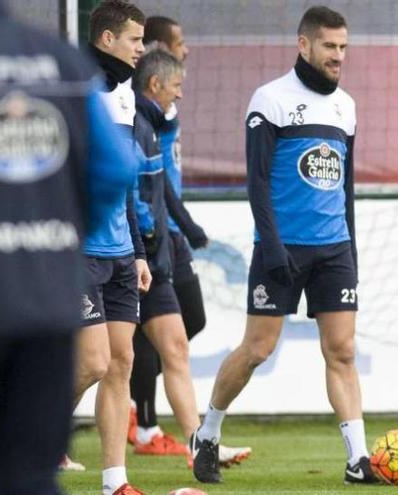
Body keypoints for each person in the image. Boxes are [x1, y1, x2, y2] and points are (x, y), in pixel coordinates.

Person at [0, 0, 138, 492]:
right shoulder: (64, 64)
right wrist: (60, 239)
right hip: (48, 302)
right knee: (30, 476)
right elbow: (116, 171)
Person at [190, 5, 374, 485]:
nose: (338, 56)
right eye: (330, 46)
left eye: (343, 48)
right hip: (282, 248)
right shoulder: (269, 99)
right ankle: (207, 432)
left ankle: (358, 459)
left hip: (334, 249)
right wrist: (271, 245)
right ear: (304, 44)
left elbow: (345, 185)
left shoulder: (346, 106)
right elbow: (257, 181)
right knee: (257, 349)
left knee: (343, 351)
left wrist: (350, 247)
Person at [130, 48, 252, 466]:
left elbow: (160, 188)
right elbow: (143, 192)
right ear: (155, 84)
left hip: (157, 252)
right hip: (132, 254)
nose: (180, 95)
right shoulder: (132, 122)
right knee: (102, 363)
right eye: (177, 86)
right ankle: (53, 437)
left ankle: (199, 446)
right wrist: (148, 237)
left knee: (177, 345)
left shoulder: (154, 123)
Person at [68, 1, 152, 494]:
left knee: (122, 363)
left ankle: (114, 482)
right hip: (80, 253)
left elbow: (125, 187)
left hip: (121, 253)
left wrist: (138, 251)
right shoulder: (74, 91)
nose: (142, 48)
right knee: (93, 362)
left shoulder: (126, 96)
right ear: (107, 40)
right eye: (135, 39)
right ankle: (37, 425)